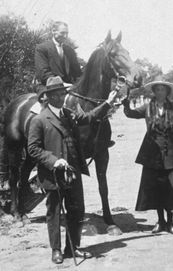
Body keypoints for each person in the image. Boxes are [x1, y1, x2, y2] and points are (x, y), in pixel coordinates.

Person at [27, 76, 117, 264]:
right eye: (57, 95)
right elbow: (33, 149)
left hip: (73, 172)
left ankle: (72, 247)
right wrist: (54, 160)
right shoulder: (39, 120)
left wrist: (108, 102)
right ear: (49, 97)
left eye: (63, 94)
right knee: (55, 211)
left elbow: (90, 117)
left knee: (77, 210)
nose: (61, 98)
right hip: (54, 174)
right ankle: (56, 250)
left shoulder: (69, 114)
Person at [122, 76, 173, 235]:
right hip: (153, 154)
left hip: (171, 153)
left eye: (163, 89)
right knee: (157, 188)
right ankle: (160, 221)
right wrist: (126, 102)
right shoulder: (147, 107)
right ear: (154, 91)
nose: (160, 92)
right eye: (157, 89)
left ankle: (171, 222)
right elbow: (131, 113)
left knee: (170, 188)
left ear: (167, 92)